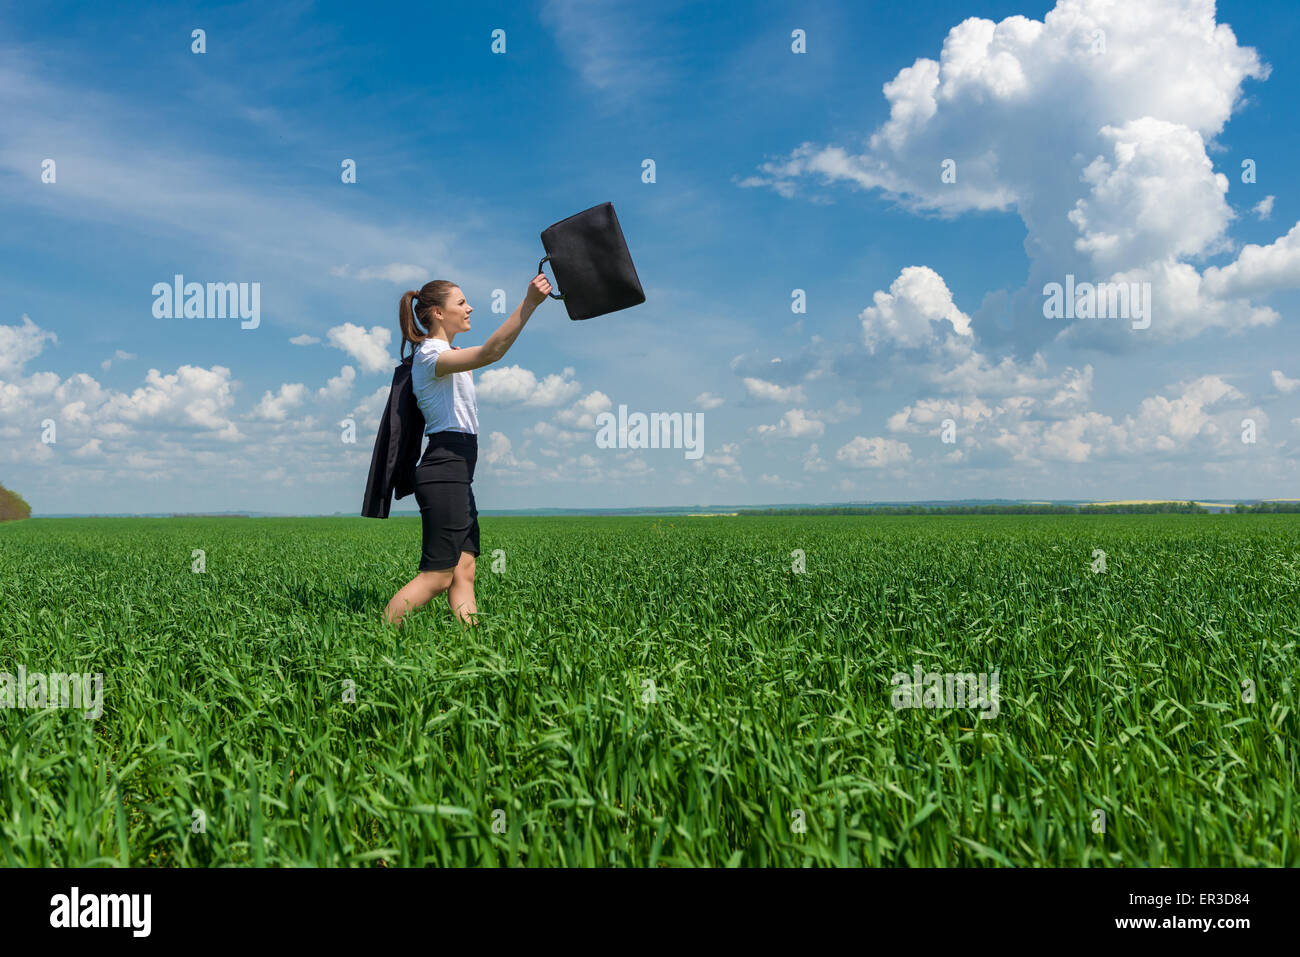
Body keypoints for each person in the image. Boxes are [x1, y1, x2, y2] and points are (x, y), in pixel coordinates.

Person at [383, 273, 552, 626]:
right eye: (461, 302)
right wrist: (530, 303)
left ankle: (471, 646)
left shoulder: (445, 357)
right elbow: (492, 352)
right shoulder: (430, 355)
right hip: (443, 469)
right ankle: (379, 636)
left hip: (458, 472)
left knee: (465, 570)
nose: (469, 307)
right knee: (438, 576)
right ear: (437, 313)